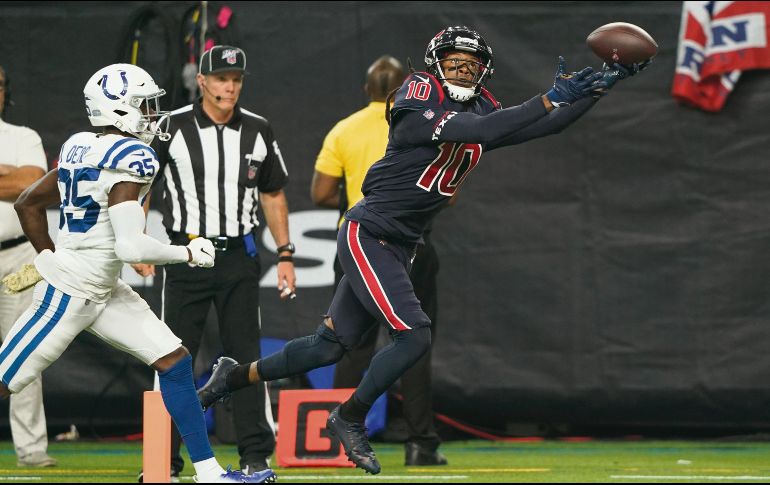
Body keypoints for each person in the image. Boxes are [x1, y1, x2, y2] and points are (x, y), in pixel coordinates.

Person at [197, 26, 647, 475]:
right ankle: (349, 415)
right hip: (368, 231)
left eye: (471, 66)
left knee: (327, 347)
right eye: (454, 63)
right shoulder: (417, 94)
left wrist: (603, 86)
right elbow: (485, 126)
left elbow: (542, 126)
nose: (462, 71)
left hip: (401, 243)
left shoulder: (483, 106)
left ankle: (231, 377)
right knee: (414, 335)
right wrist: (548, 97)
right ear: (435, 64)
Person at [0, 62, 276, 484]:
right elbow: (131, 246)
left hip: (102, 287)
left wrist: (48, 253)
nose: (152, 114)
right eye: (144, 106)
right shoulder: (132, 156)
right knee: (6, 380)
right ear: (118, 109)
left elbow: (27, 204)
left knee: (174, 360)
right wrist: (186, 252)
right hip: (71, 291)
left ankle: (209, 474)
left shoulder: (80, 145)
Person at [132, 45, 295, 477]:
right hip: (186, 254)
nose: (230, 86)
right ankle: (160, 459)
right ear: (201, 81)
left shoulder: (258, 129)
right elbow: (142, 187)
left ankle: (254, 452)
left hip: (238, 255)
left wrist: (285, 253)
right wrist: (136, 241)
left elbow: (273, 193)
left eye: (236, 79)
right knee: (167, 355)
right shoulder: (170, 126)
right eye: (221, 78)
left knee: (245, 358)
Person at [310, 55, 447, 466]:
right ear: (406, 89)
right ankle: (420, 442)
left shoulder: (345, 129)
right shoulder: (426, 123)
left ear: (366, 90)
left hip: (359, 243)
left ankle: (336, 444)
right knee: (415, 341)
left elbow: (320, 193)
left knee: (350, 343)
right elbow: (447, 189)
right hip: (411, 244)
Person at [0, 64, 56, 468]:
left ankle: (32, 449)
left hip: (16, 255)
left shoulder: (22, 137)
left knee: (23, 351)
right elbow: (14, 181)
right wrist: (7, 174)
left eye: (0, 84)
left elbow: (32, 184)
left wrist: (17, 178)